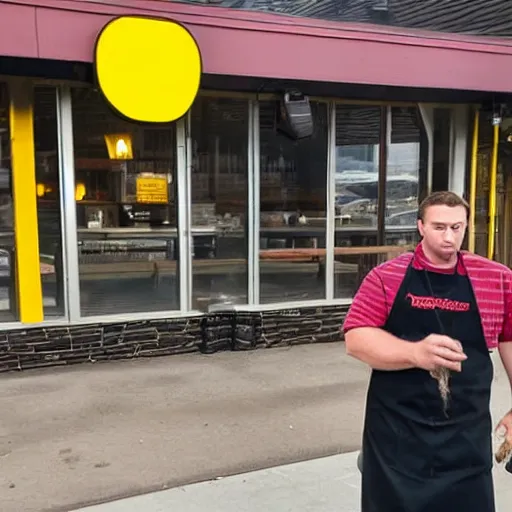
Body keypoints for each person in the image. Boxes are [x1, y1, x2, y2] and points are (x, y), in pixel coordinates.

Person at [343, 191, 512, 512]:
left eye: (457, 227)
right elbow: (357, 338)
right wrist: (415, 353)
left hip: (465, 436)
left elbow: (510, 339)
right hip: (396, 436)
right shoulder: (386, 277)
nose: (449, 237)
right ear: (420, 226)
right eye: (439, 227)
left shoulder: (496, 278)